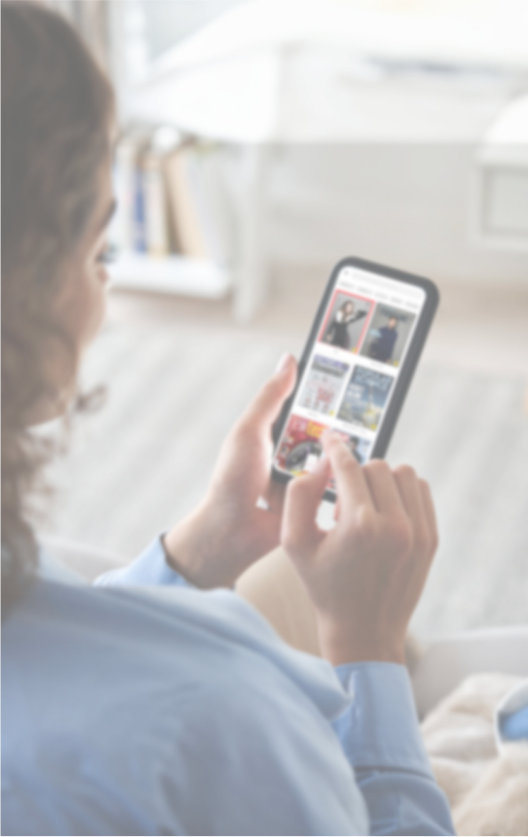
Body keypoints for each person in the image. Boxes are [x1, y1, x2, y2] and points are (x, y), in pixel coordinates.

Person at [0, 5, 455, 836]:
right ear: (32, 292)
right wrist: (366, 648)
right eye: (101, 252)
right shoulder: (220, 712)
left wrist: (191, 557)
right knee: (341, 590)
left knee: (278, 572)